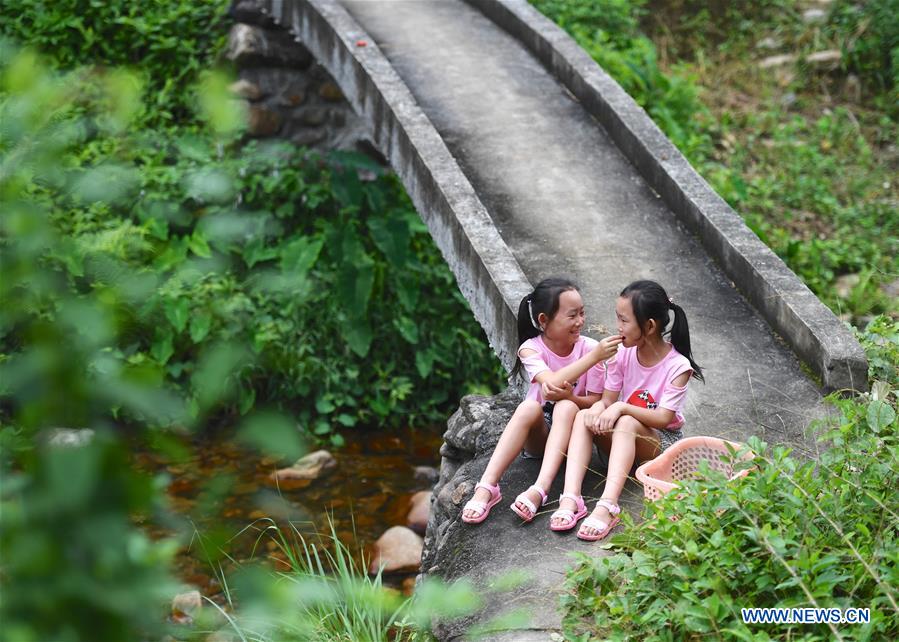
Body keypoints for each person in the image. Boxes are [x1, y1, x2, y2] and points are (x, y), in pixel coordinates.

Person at [548, 280, 704, 540]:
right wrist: (598, 408)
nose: (618, 328)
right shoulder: (622, 353)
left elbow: (664, 418)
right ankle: (571, 498)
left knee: (627, 421)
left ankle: (608, 505)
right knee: (585, 414)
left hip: (657, 447)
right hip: (619, 446)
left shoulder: (678, 366)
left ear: (650, 326)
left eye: (624, 321)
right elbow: (608, 401)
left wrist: (621, 406)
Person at [461, 277, 623, 524]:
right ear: (543, 320)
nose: (580, 321)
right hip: (542, 436)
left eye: (582, 313)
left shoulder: (590, 348)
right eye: (572, 316)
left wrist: (570, 395)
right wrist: (592, 359)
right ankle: (487, 487)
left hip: (574, 438)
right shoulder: (531, 349)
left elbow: (595, 402)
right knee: (528, 406)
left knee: (567, 406)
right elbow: (549, 388)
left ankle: (540, 489)